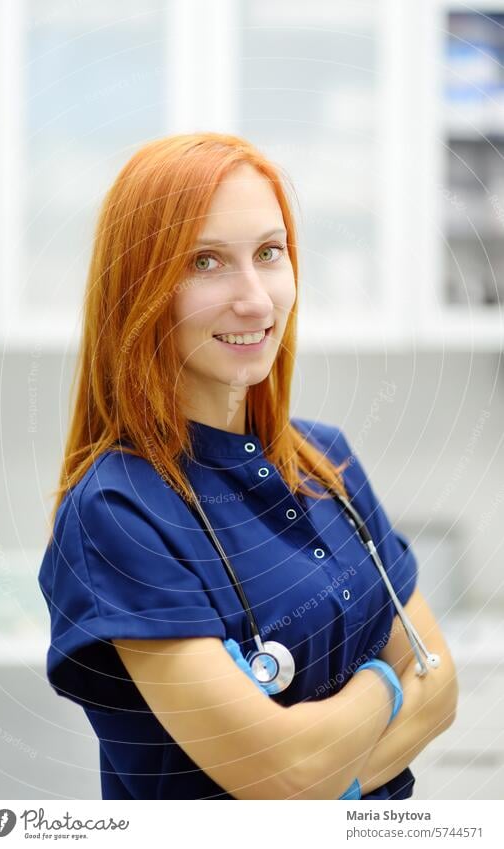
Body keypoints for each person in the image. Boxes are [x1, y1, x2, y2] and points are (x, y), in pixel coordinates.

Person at [38, 131, 458, 800]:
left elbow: (440, 689)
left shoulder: (327, 460)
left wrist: (328, 784)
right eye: (206, 261)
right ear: (140, 287)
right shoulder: (117, 513)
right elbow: (285, 776)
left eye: (269, 252)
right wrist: (384, 679)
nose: (256, 299)